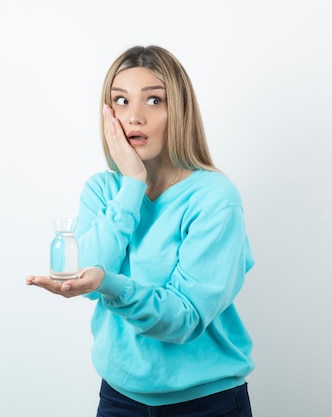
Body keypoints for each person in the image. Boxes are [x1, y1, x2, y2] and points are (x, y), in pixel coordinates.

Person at [26, 45, 255, 417]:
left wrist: (108, 283)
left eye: (153, 101)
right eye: (120, 100)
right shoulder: (103, 189)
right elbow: (87, 278)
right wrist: (132, 183)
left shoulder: (215, 197)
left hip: (205, 404)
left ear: (178, 111)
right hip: (118, 399)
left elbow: (183, 318)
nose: (134, 117)